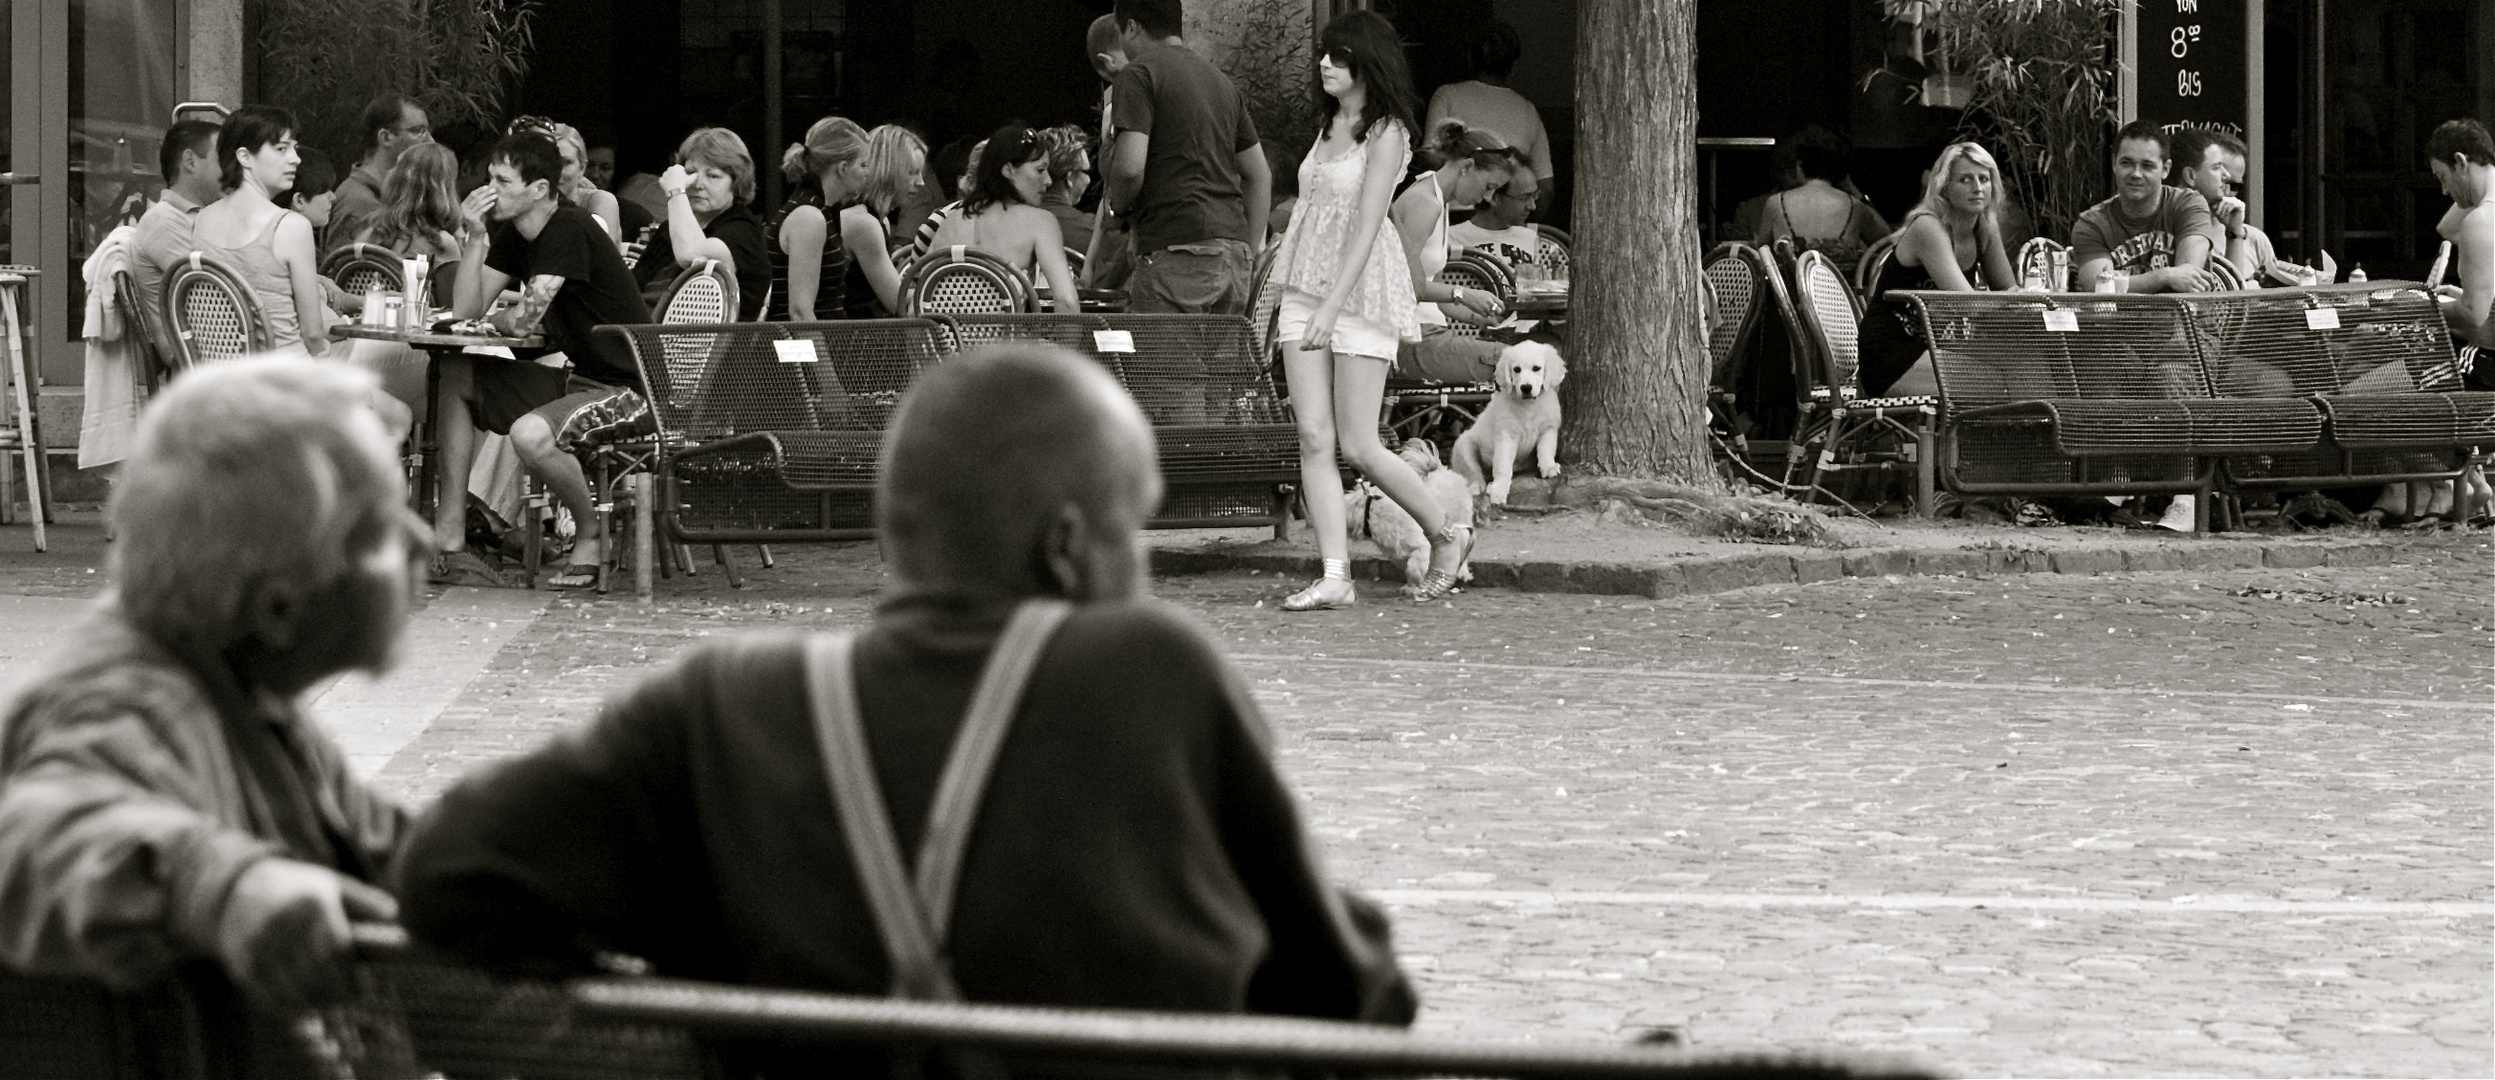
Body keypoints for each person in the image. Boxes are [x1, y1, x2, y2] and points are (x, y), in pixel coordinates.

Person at [393, 343, 1415, 1076]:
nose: (1136, 570)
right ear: (1066, 546)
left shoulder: (720, 709)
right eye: (1130, 534)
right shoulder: (1142, 670)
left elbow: (448, 879)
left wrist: (700, 1020)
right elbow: (1344, 998)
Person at [0, 358, 417, 1029]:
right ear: (279, 610)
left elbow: (394, 851)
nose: (422, 542)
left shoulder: (248, 693)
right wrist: (225, 886)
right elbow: (35, 836)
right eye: (384, 531)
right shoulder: (131, 707)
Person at [1268, 10, 1467, 609]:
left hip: (1359, 292)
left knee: (1357, 442)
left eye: (1339, 55)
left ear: (1367, 64)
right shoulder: (1328, 124)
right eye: (1324, 55)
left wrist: (1333, 305)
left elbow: (1365, 222)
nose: (1325, 64)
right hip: (1305, 286)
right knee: (1311, 435)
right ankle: (1335, 575)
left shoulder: (1388, 132)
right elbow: (1312, 212)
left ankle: (1446, 533)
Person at [439, 131, 652, 588]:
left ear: (538, 189)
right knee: (455, 373)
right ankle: (450, 537)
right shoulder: (515, 233)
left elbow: (523, 319)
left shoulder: (569, 228)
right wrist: (475, 238)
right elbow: (466, 313)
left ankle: (592, 533)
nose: (488, 189)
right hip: (581, 382)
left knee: (529, 434)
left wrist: (503, 320)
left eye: (502, 180)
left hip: (632, 392)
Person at [1103, 0, 1271, 314]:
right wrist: (1248, 247)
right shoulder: (1220, 81)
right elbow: (1259, 175)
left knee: (1167, 364)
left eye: (1118, 32)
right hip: (1234, 258)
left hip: (1176, 250)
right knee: (1219, 365)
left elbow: (1129, 169)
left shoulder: (1138, 74)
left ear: (1132, 27)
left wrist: (1116, 208)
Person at [1856, 141, 2016, 400]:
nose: (1977, 188)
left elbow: (2008, 290)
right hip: (1893, 356)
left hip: (1936, 348)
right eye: (1965, 180)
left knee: (2029, 363)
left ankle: (2045, 438)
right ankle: (1984, 440)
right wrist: (2014, 300)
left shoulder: (1985, 227)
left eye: (1984, 179)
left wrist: (2020, 298)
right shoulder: (1928, 227)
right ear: (1944, 188)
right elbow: (1968, 305)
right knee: (2006, 383)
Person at [192, 105, 335, 356]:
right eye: (281, 148)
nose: (296, 158)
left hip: (225, 379)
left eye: (294, 147)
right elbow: (312, 334)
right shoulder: (290, 226)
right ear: (245, 157)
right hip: (284, 378)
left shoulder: (202, 220)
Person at [1388, 121, 1515, 383]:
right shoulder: (1424, 203)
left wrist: (1478, 315)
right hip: (1408, 340)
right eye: (1489, 186)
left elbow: (1428, 288)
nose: (1488, 198)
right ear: (1467, 167)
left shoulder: (1436, 200)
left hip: (1422, 333)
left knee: (1528, 359)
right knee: (1524, 364)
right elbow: (1402, 285)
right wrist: (1464, 294)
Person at [927, 128, 1083, 314]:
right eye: (1040, 170)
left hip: (948, 341)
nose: (1048, 180)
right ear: (1008, 170)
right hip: (1009, 341)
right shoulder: (1041, 222)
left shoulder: (950, 222)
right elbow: (1067, 302)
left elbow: (918, 296)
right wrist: (1065, 344)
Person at [769, 115, 910, 322]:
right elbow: (800, 313)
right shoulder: (809, 217)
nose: (868, 173)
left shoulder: (826, 210)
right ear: (843, 168)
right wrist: (823, 356)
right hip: (792, 348)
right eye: (863, 165)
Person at [2070, 120, 2222, 294]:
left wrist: (2124, 285)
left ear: (2165, 169)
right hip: (2118, 321)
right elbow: (2099, 288)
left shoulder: (2188, 205)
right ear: (2114, 164)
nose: (2135, 173)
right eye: (2126, 163)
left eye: (2147, 165)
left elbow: (2188, 281)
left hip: (2181, 319)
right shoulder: (2092, 224)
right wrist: (2164, 276)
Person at [636, 127, 770, 321]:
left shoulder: (743, 230)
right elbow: (632, 289)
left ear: (736, 183)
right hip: (640, 334)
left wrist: (675, 192)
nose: (698, 184)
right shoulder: (670, 229)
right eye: (690, 173)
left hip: (708, 347)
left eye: (713, 176)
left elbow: (691, 257)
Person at [1424, 19, 1554, 190]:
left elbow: (1429, 158)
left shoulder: (1447, 95)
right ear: (1514, 66)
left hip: (1455, 208)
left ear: (1470, 59)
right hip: (1506, 212)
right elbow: (1545, 185)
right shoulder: (1528, 111)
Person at [1753, 125, 1890, 271]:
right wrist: (1856, 193)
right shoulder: (1855, 206)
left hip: (1792, 291)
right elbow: (1887, 240)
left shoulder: (1776, 203)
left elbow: (1762, 251)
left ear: (1800, 165)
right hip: (1841, 291)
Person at [128, 119, 223, 322]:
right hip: (196, 351)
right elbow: (219, 299)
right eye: (222, 160)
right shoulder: (163, 221)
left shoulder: (201, 216)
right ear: (190, 161)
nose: (233, 171)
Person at [327, 93, 431, 252]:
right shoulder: (357, 200)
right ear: (386, 137)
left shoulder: (391, 195)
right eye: (418, 131)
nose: (430, 141)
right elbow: (340, 270)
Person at [514, 118, 627, 247]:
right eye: (546, 161)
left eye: (565, 162)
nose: (556, 170)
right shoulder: (522, 204)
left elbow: (595, 259)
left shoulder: (600, 200)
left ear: (582, 167)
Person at [1447, 165, 1542, 269]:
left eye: (1535, 196)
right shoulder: (1451, 238)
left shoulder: (1530, 238)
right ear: (1494, 198)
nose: (1532, 206)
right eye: (1524, 198)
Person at [1036, 124, 1097, 253]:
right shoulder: (1094, 232)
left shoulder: (1008, 226)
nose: (1089, 180)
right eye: (1086, 172)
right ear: (1069, 178)